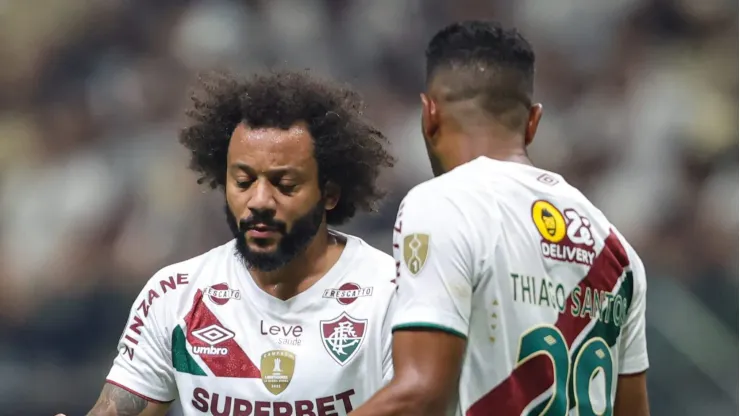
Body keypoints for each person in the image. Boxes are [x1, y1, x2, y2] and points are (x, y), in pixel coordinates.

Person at [350, 20, 650, 416]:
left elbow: (423, 395)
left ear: (429, 114)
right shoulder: (614, 248)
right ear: (533, 122)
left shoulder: (444, 204)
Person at [61, 70, 397, 416]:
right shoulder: (176, 295)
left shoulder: (389, 294)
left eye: (284, 184)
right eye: (243, 181)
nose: (260, 201)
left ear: (329, 194)